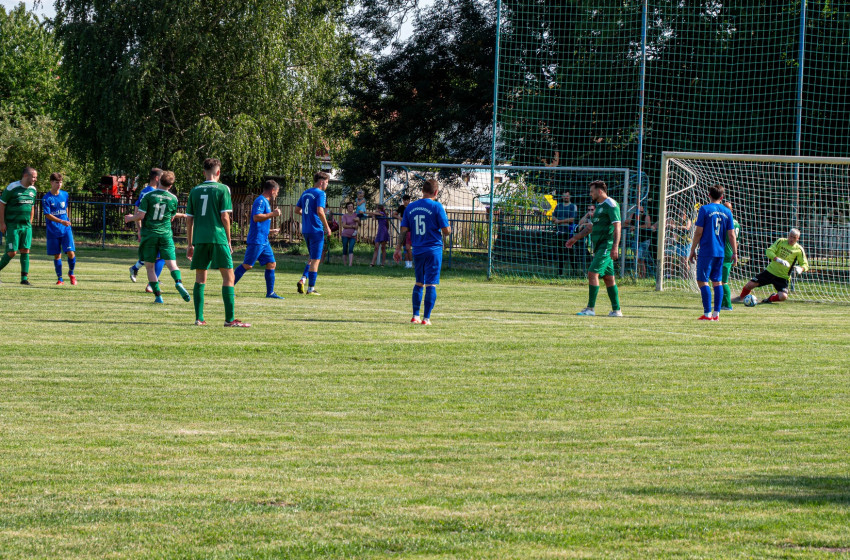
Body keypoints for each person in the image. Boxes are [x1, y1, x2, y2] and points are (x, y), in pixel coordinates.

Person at [186, 158, 250, 327]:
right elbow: (225, 217)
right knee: (229, 277)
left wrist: (189, 243)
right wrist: (229, 240)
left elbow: (189, 220)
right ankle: (229, 320)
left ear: (203, 172)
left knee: (200, 278)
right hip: (218, 237)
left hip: (199, 238)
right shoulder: (223, 189)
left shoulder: (195, 190)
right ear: (218, 172)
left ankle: (199, 318)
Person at [124, 171, 191, 304]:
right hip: (165, 234)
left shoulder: (148, 195)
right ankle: (178, 282)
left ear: (159, 180)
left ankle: (158, 296)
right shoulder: (173, 198)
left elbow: (141, 215)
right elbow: (171, 217)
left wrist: (130, 218)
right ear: (171, 186)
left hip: (150, 234)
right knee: (172, 264)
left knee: (150, 267)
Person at [394, 178, 451, 325]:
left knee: (419, 282)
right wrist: (449, 227)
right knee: (431, 284)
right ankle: (426, 319)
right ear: (436, 192)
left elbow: (403, 230)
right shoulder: (437, 207)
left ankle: (415, 316)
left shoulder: (410, 207)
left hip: (417, 250)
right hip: (433, 249)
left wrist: (397, 248)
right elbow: (446, 231)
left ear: (422, 191)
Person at [565, 180, 623, 317]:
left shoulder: (611, 205)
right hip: (599, 247)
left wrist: (615, 247)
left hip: (606, 246)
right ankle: (617, 310)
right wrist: (575, 238)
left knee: (592, 273)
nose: (590, 194)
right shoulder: (599, 206)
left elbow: (617, 226)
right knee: (609, 278)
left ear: (599, 191)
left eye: (592, 191)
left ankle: (590, 309)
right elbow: (592, 227)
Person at [687, 184, 737, 320]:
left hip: (707, 250)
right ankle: (716, 314)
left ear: (709, 195)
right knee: (718, 281)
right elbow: (732, 234)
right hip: (721, 252)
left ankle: (707, 313)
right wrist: (735, 253)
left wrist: (692, 250)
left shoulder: (704, 209)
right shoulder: (727, 212)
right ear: (722, 197)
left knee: (702, 281)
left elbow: (698, 232)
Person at [233, 179, 283, 299]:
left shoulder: (265, 201)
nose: (277, 194)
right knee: (247, 265)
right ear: (272, 190)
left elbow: (259, 222)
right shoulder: (260, 200)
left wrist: (270, 231)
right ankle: (229, 287)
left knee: (271, 263)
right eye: (277, 192)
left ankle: (270, 293)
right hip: (256, 240)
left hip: (263, 240)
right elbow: (256, 217)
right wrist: (273, 214)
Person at [732, 228, 809, 305]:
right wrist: (778, 259)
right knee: (749, 285)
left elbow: (805, 264)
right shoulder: (781, 241)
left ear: (798, 238)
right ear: (788, 235)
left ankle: (769, 299)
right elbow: (769, 251)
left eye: (794, 237)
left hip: (783, 277)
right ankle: (741, 298)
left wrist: (801, 269)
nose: (791, 239)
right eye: (790, 236)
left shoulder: (799, 250)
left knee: (783, 296)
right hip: (770, 272)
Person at [295, 171, 332, 295]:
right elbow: (320, 211)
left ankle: (303, 279)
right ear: (321, 182)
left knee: (311, 257)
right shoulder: (321, 193)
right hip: (316, 229)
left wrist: (308, 215)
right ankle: (311, 288)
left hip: (305, 229)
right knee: (316, 259)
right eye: (326, 183)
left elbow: (296, 210)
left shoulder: (306, 192)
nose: (327, 185)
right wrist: (327, 227)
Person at [0, 167, 38, 285]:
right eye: (33, 177)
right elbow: (1, 204)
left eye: (36, 177)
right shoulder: (12, 188)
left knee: (25, 250)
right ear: (26, 176)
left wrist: (30, 222)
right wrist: (2, 223)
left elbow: (32, 206)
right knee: (12, 252)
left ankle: (24, 279)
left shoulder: (33, 190)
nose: (35, 179)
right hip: (13, 225)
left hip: (26, 226)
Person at [129, 168, 165, 287]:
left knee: (152, 256)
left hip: (146, 229)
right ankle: (152, 284)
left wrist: (139, 229)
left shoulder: (144, 191)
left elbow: (136, 210)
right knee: (161, 257)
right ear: (157, 178)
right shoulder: (153, 193)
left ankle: (136, 269)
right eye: (162, 177)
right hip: (154, 228)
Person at [42, 173, 77, 285]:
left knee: (71, 253)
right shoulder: (46, 198)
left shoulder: (65, 195)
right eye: (57, 182)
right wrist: (61, 221)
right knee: (57, 254)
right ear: (51, 182)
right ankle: (60, 279)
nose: (59, 184)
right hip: (53, 230)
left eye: (60, 182)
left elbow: (66, 208)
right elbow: (47, 215)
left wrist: (66, 220)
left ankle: (71, 273)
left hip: (66, 229)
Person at [720, 200, 741, 310]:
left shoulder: (725, 221)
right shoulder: (736, 222)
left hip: (723, 253)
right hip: (729, 252)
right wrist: (735, 253)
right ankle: (722, 303)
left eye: (727, 208)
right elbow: (736, 241)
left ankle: (727, 304)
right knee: (720, 280)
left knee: (722, 281)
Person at [551, 191, 577, 275]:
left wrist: (559, 221)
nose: (566, 197)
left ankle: (574, 272)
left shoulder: (573, 206)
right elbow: (553, 218)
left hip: (569, 233)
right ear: (562, 197)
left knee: (571, 253)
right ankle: (560, 272)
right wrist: (559, 222)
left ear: (570, 197)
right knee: (560, 253)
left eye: (567, 196)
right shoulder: (558, 206)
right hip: (559, 232)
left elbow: (572, 219)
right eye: (564, 196)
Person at [394, 194, 413, 268]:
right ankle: (407, 264)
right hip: (403, 229)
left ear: (409, 201)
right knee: (405, 247)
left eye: (407, 200)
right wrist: (400, 218)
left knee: (408, 247)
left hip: (410, 230)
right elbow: (394, 214)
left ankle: (411, 264)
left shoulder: (411, 207)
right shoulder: (401, 207)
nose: (406, 202)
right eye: (404, 200)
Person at [340, 201, 359, 266]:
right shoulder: (345, 216)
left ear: (353, 207)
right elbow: (344, 225)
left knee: (351, 248)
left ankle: (350, 264)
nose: (350, 208)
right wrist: (352, 226)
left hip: (353, 234)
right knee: (345, 248)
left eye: (351, 206)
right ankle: (345, 264)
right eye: (349, 206)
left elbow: (359, 225)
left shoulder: (356, 215)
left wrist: (358, 221)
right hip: (345, 234)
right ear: (347, 208)